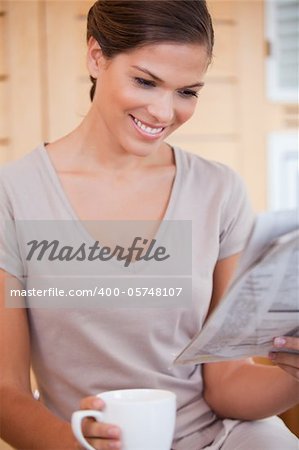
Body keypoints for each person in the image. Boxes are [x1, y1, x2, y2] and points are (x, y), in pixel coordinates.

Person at [0, 1, 298, 449]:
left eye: (187, 92)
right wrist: (77, 445)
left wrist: (293, 378)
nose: (163, 112)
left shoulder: (218, 190)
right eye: (145, 81)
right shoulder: (14, 195)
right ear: (96, 57)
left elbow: (226, 383)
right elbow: (7, 393)